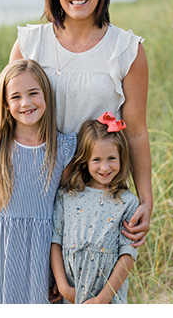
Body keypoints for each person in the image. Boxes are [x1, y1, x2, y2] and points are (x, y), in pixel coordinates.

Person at [0, 0, 152, 258]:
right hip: (27, 188)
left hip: (92, 188)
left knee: (82, 288)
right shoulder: (30, 43)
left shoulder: (127, 49)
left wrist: (146, 200)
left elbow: (135, 132)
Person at [0, 59, 77, 304]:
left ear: (46, 95)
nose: (26, 103)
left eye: (33, 93)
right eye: (16, 96)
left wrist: (60, 277)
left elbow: (63, 217)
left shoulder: (62, 150)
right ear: (5, 105)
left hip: (41, 261)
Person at [50, 113, 138, 304]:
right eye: (96, 159)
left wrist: (101, 300)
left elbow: (127, 255)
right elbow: (55, 240)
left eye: (111, 158)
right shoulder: (67, 196)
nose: (105, 167)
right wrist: (63, 286)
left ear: (122, 158)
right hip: (71, 293)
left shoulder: (127, 202)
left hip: (108, 297)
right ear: (85, 160)